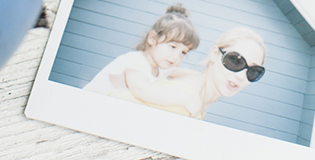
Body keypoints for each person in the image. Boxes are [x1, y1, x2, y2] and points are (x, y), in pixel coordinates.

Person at [106, 27, 267, 119]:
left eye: (254, 71)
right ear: (214, 53)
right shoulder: (181, 101)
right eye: (235, 61)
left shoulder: (198, 93)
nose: (241, 76)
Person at [83, 4, 199, 95]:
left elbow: (179, 72)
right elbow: (142, 91)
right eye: (173, 47)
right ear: (152, 39)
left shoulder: (161, 67)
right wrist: (184, 100)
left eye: (183, 52)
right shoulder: (136, 62)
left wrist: (203, 77)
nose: (177, 57)